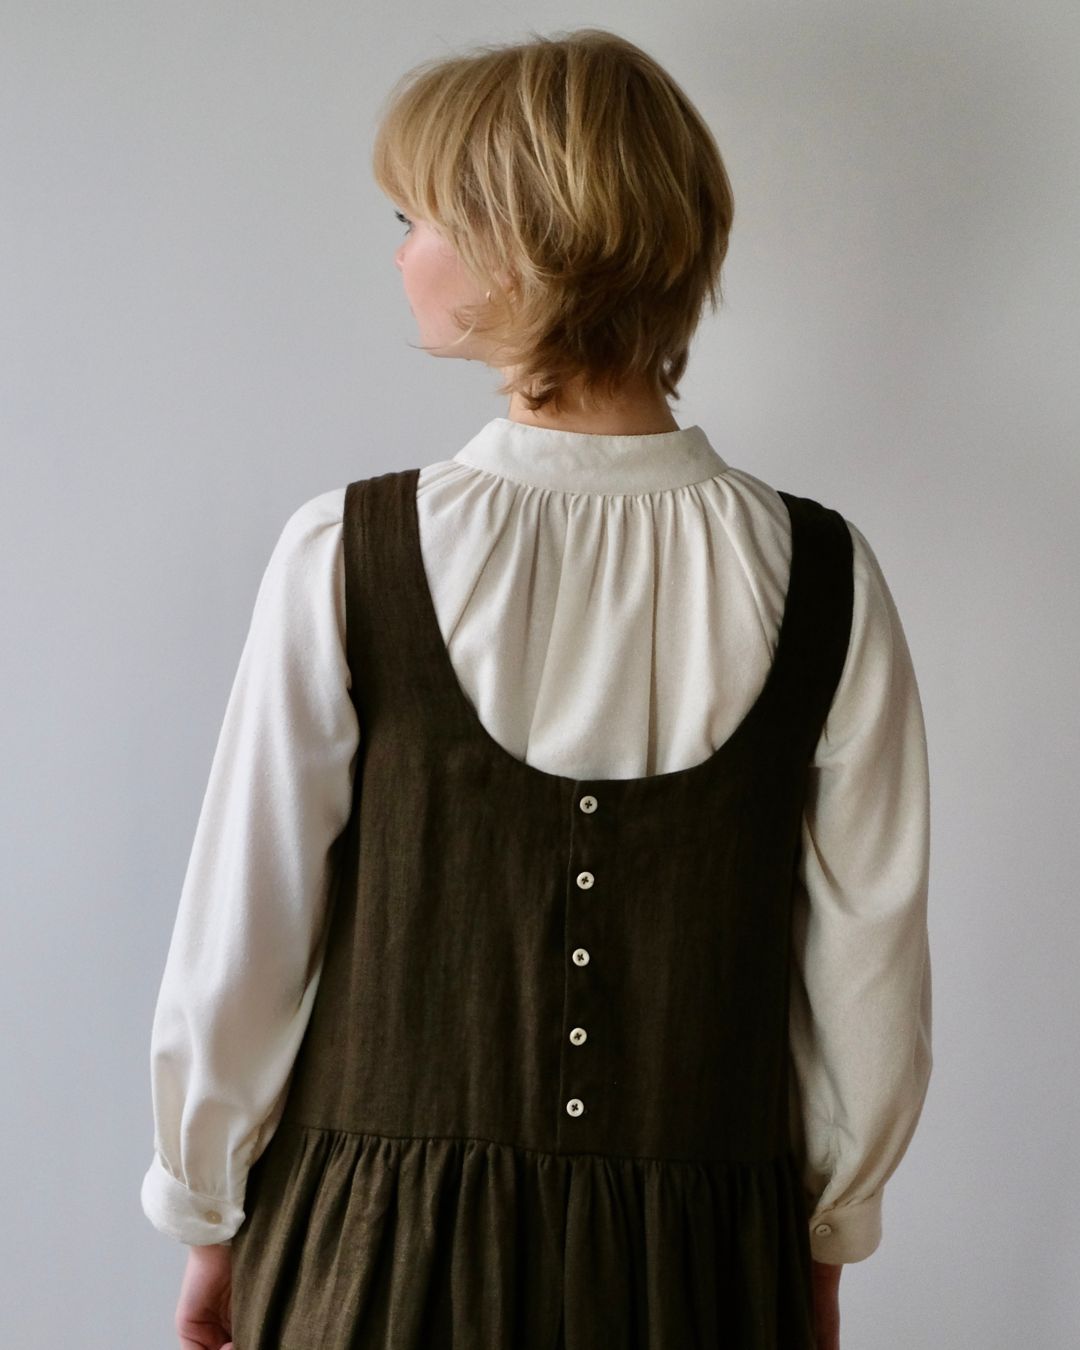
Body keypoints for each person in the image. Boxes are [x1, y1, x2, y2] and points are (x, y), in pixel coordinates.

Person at [141, 27, 932, 1350]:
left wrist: (203, 1204)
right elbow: (870, 980)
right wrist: (827, 1239)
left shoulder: (347, 554)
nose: (399, 249)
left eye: (417, 213)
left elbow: (245, 936)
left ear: (522, 241)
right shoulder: (827, 581)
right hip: (706, 1268)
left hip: (370, 1256)